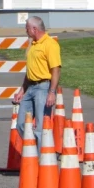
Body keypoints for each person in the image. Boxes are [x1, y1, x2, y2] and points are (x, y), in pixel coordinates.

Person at [13, 16, 61, 144]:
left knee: (40, 127)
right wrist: (22, 90)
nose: (25, 30)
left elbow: (56, 69)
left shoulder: (50, 44)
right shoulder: (32, 45)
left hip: (43, 87)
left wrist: (52, 92)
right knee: (21, 124)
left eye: (27, 28)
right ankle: (34, 148)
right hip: (30, 87)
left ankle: (41, 159)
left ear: (34, 29)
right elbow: (30, 70)